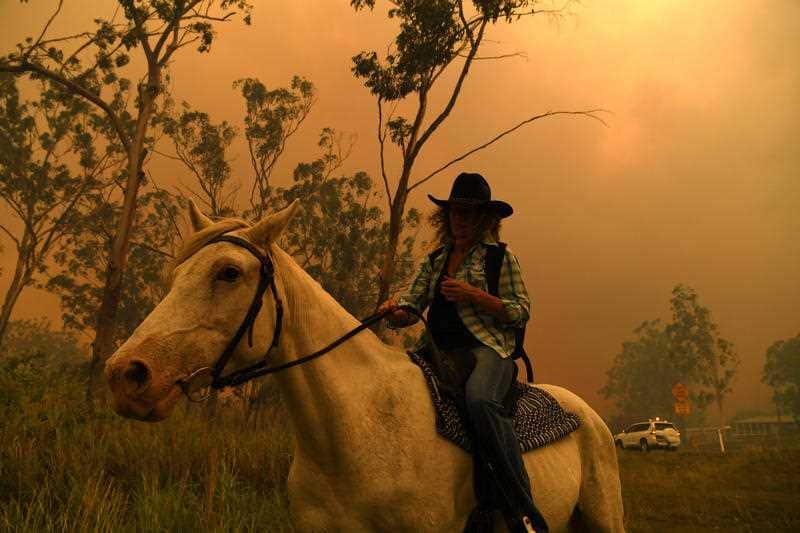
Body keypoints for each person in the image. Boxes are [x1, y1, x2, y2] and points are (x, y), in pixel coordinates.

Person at [379, 172, 548, 533]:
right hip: (439, 352)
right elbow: (412, 305)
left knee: (479, 401)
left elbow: (521, 310)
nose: (460, 218)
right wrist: (394, 314)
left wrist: (475, 295)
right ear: (447, 216)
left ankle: (523, 510)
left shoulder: (500, 259)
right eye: (456, 211)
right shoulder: (436, 260)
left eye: (469, 212)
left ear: (485, 219)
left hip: (489, 350)